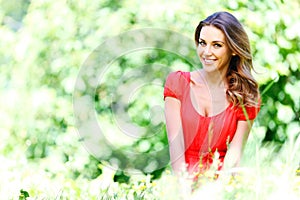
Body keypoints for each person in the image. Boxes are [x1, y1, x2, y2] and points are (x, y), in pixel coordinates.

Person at [164, 11, 260, 179]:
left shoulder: (245, 95)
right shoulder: (178, 83)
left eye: (216, 45)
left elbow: (234, 156)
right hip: (182, 185)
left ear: (234, 50)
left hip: (221, 186)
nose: (206, 52)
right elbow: (175, 145)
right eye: (202, 43)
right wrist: (183, 191)